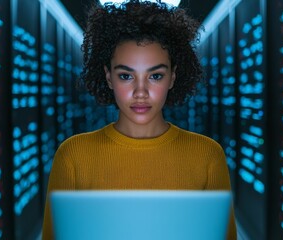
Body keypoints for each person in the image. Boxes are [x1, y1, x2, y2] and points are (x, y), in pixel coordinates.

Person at [42, 0, 237, 239]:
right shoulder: (73, 156)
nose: (141, 92)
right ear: (109, 78)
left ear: (173, 78)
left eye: (155, 76)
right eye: (126, 75)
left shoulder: (207, 155)